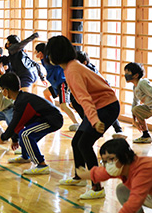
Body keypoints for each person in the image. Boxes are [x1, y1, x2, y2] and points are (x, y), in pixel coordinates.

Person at [46, 35, 120, 199]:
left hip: (106, 107)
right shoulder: (71, 67)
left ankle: (97, 188)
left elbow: (85, 98)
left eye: (49, 53)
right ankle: (79, 177)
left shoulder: (73, 70)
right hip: (99, 106)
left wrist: (94, 121)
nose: (47, 57)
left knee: (85, 144)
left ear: (55, 54)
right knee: (76, 142)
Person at [77, 138, 152, 213]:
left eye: (111, 159)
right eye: (104, 161)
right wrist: (85, 174)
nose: (108, 164)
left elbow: (133, 204)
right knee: (122, 190)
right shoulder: (124, 165)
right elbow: (103, 172)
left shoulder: (143, 171)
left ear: (124, 156)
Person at [0, 72, 63, 175]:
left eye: (1, 90)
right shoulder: (20, 99)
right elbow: (19, 123)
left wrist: (4, 137)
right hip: (42, 119)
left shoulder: (22, 101)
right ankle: (25, 157)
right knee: (23, 133)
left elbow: (14, 124)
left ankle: (42, 165)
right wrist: (14, 139)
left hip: (52, 120)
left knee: (25, 134)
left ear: (5, 90)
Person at [75, 50, 127, 139]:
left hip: (104, 95)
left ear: (84, 63)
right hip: (96, 96)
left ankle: (118, 130)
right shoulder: (82, 70)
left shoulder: (89, 71)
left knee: (105, 110)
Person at [34, 43, 79, 131]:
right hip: (55, 85)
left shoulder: (50, 59)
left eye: (36, 51)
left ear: (40, 52)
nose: (35, 53)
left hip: (62, 83)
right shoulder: (43, 59)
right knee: (46, 93)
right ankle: (53, 113)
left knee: (63, 105)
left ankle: (76, 123)